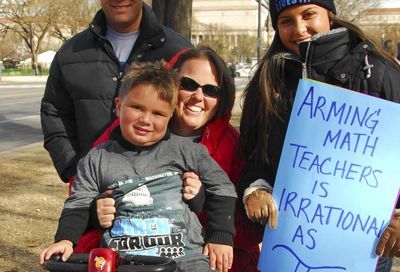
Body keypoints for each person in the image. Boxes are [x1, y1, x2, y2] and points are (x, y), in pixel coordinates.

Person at [238, 1, 400, 272]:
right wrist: (255, 188)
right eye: (286, 21)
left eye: (308, 14)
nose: (299, 29)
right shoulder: (268, 79)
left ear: (330, 16)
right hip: (289, 241)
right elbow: (253, 151)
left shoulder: (377, 70)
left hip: (367, 243)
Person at [39, 61, 237, 272]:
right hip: (123, 264)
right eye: (137, 107)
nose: (145, 119)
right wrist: (65, 240)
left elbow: (222, 187)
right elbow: (79, 202)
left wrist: (222, 236)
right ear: (118, 106)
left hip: (186, 260)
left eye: (158, 113)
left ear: (170, 115)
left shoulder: (187, 151)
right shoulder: (97, 158)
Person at [94, 46, 267, 272]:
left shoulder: (234, 146)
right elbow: (85, 184)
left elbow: (250, 233)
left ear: (221, 98)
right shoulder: (130, 129)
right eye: (188, 84)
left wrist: (203, 205)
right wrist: (93, 212)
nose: (198, 97)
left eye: (210, 90)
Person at [40, 0, 191, 184]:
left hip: (161, 191)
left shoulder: (178, 50)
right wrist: (75, 170)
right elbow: (54, 114)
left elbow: (193, 117)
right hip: (93, 190)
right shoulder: (70, 53)